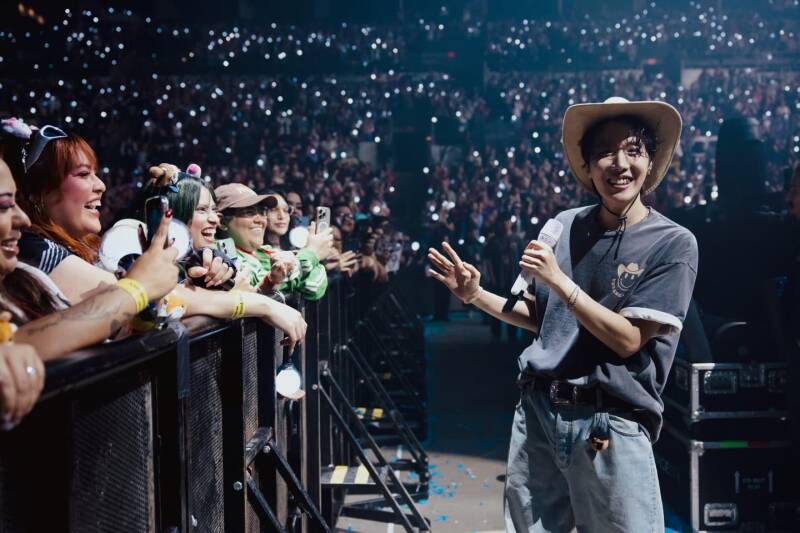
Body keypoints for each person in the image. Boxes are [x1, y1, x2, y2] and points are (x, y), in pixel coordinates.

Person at [429, 97, 698, 532]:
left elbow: (629, 339)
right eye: (605, 152)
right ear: (589, 167)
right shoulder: (563, 224)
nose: (619, 163)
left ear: (650, 162)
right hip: (538, 412)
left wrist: (561, 282)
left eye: (633, 150)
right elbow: (542, 319)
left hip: (611, 426)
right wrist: (475, 294)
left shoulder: (673, 243)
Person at [13, 129, 306, 350]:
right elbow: (155, 300)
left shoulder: (83, 248)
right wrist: (262, 304)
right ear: (39, 191)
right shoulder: (31, 247)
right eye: (83, 174)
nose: (101, 185)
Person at [213, 183, 330, 300]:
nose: (260, 220)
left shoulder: (265, 251)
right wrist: (311, 254)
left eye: (262, 212)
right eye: (249, 212)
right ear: (222, 222)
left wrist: (289, 273)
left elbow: (314, 286)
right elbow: (255, 285)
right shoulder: (220, 254)